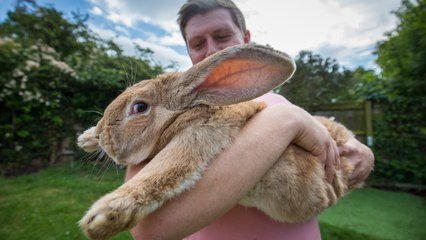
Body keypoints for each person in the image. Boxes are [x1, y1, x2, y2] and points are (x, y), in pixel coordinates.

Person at [125, 0, 375, 239]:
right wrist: (286, 121)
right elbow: (147, 229)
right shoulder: (169, 115)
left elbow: (328, 148)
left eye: (222, 36)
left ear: (246, 39)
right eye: (198, 43)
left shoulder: (282, 103)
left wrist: (362, 152)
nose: (212, 50)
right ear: (189, 52)